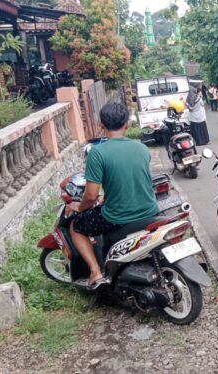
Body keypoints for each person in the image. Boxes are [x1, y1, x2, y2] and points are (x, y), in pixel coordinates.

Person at [69, 102, 159, 289]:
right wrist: (107, 197)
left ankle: (95, 272)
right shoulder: (141, 148)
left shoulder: (97, 153)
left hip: (118, 217)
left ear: (101, 124)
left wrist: (79, 207)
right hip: (150, 210)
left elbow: (91, 195)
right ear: (126, 123)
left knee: (76, 227)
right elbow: (129, 179)